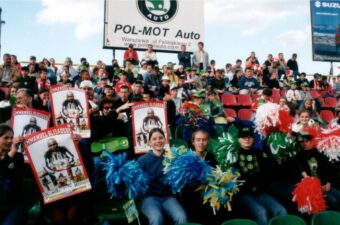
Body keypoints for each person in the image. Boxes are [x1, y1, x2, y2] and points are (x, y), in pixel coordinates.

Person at [234, 126, 287, 225]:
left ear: (254, 138)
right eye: (243, 137)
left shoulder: (260, 153)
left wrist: (280, 160)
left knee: (281, 210)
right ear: (238, 139)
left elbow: (272, 170)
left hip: (261, 193)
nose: (247, 139)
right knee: (261, 212)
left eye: (249, 136)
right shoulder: (232, 154)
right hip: (244, 195)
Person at [137, 128, 187, 225]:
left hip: (168, 197)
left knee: (181, 217)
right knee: (156, 219)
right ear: (149, 143)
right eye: (154, 139)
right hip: (149, 197)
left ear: (165, 140)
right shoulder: (142, 160)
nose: (158, 141)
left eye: (160, 138)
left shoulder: (172, 157)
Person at [0, 125, 26, 225]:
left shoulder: (18, 157)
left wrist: (13, 152)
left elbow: (18, 180)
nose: (10, 141)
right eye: (6, 138)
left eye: (11, 137)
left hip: (14, 204)